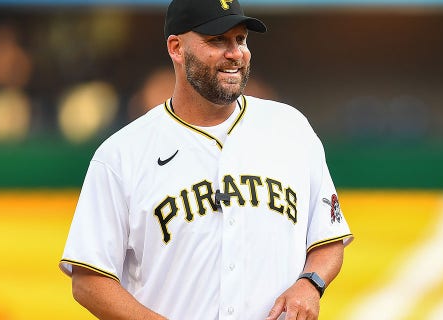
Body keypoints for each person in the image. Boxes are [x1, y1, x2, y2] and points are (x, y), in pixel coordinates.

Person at [59, 0, 353, 319]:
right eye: (217, 40)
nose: (235, 52)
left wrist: (310, 284)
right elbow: (88, 281)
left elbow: (327, 238)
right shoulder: (122, 153)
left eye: (240, 39)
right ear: (176, 48)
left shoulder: (291, 128)